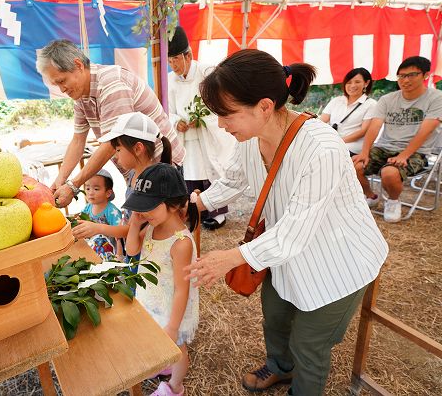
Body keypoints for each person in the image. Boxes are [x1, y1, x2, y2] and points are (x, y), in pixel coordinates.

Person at [183, 49, 388, 396]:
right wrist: (195, 204)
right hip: (284, 254)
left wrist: (231, 257)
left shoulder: (321, 147)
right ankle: (280, 367)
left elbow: (294, 233)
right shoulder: (252, 138)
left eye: (227, 114)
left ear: (264, 106)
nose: (220, 124)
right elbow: (234, 180)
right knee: (275, 318)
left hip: (339, 262)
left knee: (310, 343)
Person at [35, 39, 184, 208]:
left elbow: (112, 144)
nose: (62, 89)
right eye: (56, 84)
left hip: (162, 167)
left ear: (78, 65)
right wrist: (60, 180)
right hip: (139, 172)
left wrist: (73, 185)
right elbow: (78, 140)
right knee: (140, 227)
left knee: (162, 229)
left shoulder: (111, 84)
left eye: (62, 81)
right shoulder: (81, 97)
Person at [124, 162, 199, 396]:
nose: (143, 212)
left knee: (177, 348)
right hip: (153, 302)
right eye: (140, 207)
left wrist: (174, 326)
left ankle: (175, 386)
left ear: (174, 204)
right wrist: (135, 224)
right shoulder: (151, 226)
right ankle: (163, 364)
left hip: (172, 309)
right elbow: (132, 250)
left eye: (149, 207)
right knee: (159, 339)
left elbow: (181, 289)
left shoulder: (181, 243)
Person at [353, 56, 442, 222]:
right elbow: (375, 126)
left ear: (425, 75)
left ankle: (393, 201)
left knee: (389, 173)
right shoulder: (388, 99)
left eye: (411, 75)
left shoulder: (436, 98)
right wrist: (364, 152)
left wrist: (404, 155)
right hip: (385, 147)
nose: (405, 80)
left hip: (417, 151)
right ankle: (371, 196)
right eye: (401, 76)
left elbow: (426, 131)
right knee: (353, 165)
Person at [167, 26, 237, 230]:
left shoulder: (207, 72)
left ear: (188, 56)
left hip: (208, 133)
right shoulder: (170, 80)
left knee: (211, 172)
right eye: (170, 61)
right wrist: (175, 121)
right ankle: (197, 211)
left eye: (176, 60)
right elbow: (168, 110)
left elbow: (222, 101)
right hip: (187, 136)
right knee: (191, 174)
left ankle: (218, 214)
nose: (173, 65)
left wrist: (203, 118)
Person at [320, 67, 377, 156]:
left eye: (357, 82)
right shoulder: (336, 100)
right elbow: (321, 122)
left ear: (366, 83)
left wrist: (339, 141)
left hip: (352, 146)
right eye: (349, 82)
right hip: (331, 143)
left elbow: (363, 131)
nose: (352, 86)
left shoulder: (371, 104)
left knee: (328, 155)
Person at [75, 169, 123, 261]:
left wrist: (119, 256)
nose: (90, 192)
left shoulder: (112, 211)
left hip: (109, 254)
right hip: (93, 252)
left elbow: (119, 236)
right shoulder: (87, 208)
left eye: (96, 189)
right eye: (87, 188)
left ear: (108, 193)